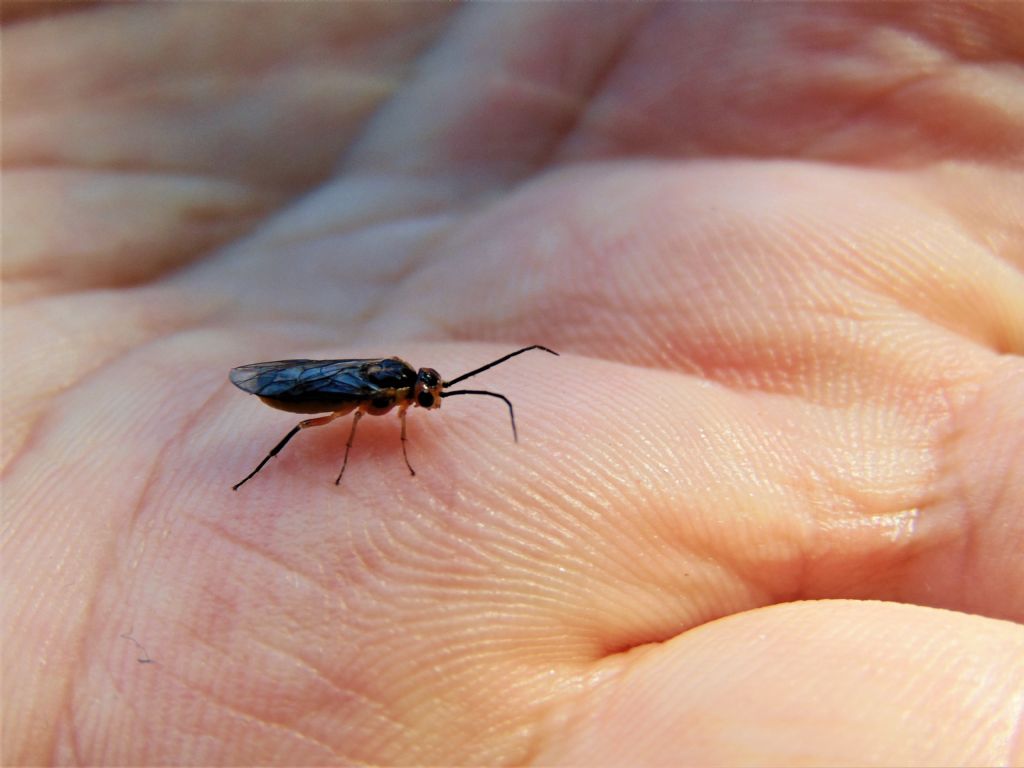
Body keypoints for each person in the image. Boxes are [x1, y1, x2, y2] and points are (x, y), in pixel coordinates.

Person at [3, 3, 1022, 764]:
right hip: (292, 390)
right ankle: (265, 459)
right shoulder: (380, 400)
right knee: (329, 424)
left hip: (294, 378)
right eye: (430, 400)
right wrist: (385, 437)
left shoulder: (395, 378)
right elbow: (352, 416)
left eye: (429, 400)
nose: (431, 405)